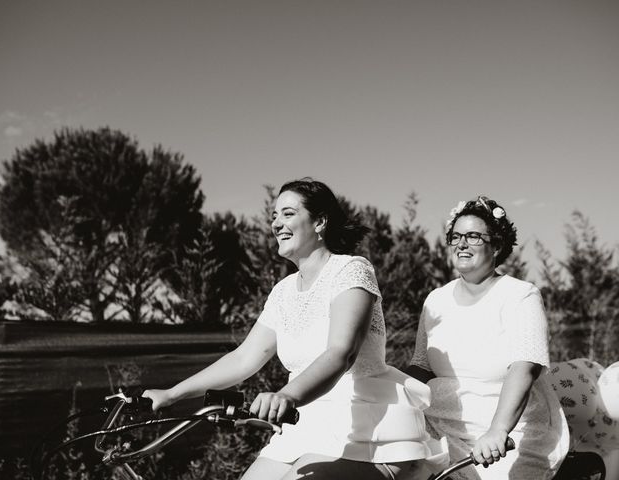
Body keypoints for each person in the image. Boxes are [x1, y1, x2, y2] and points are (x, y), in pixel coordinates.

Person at [143, 179, 446, 480]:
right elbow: (243, 359)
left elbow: (341, 353)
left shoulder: (351, 269)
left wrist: (286, 396)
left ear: (320, 222)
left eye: (287, 213)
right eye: (273, 216)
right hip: (303, 427)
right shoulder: (283, 292)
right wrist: (171, 394)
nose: (276, 224)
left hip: (369, 433)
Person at [406, 195, 569, 480]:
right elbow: (421, 366)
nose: (461, 244)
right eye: (455, 236)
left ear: (497, 246)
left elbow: (525, 366)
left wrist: (497, 431)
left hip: (508, 431)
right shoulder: (435, 299)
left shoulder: (520, 295)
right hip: (438, 424)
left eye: (473, 236)